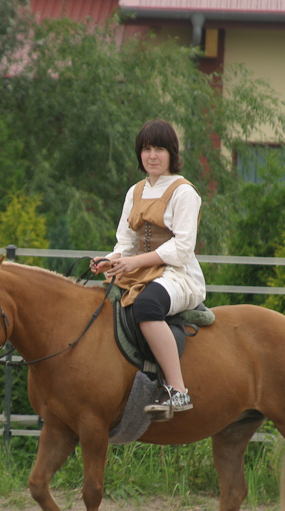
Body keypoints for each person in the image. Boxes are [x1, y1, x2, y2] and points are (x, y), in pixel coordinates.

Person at [91, 119, 206, 416]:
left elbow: (182, 249)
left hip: (177, 275)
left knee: (146, 306)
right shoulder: (135, 191)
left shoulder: (184, 192)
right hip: (137, 273)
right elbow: (125, 243)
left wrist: (133, 262)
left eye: (159, 149)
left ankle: (178, 391)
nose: (152, 156)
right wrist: (109, 260)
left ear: (172, 153)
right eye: (146, 149)